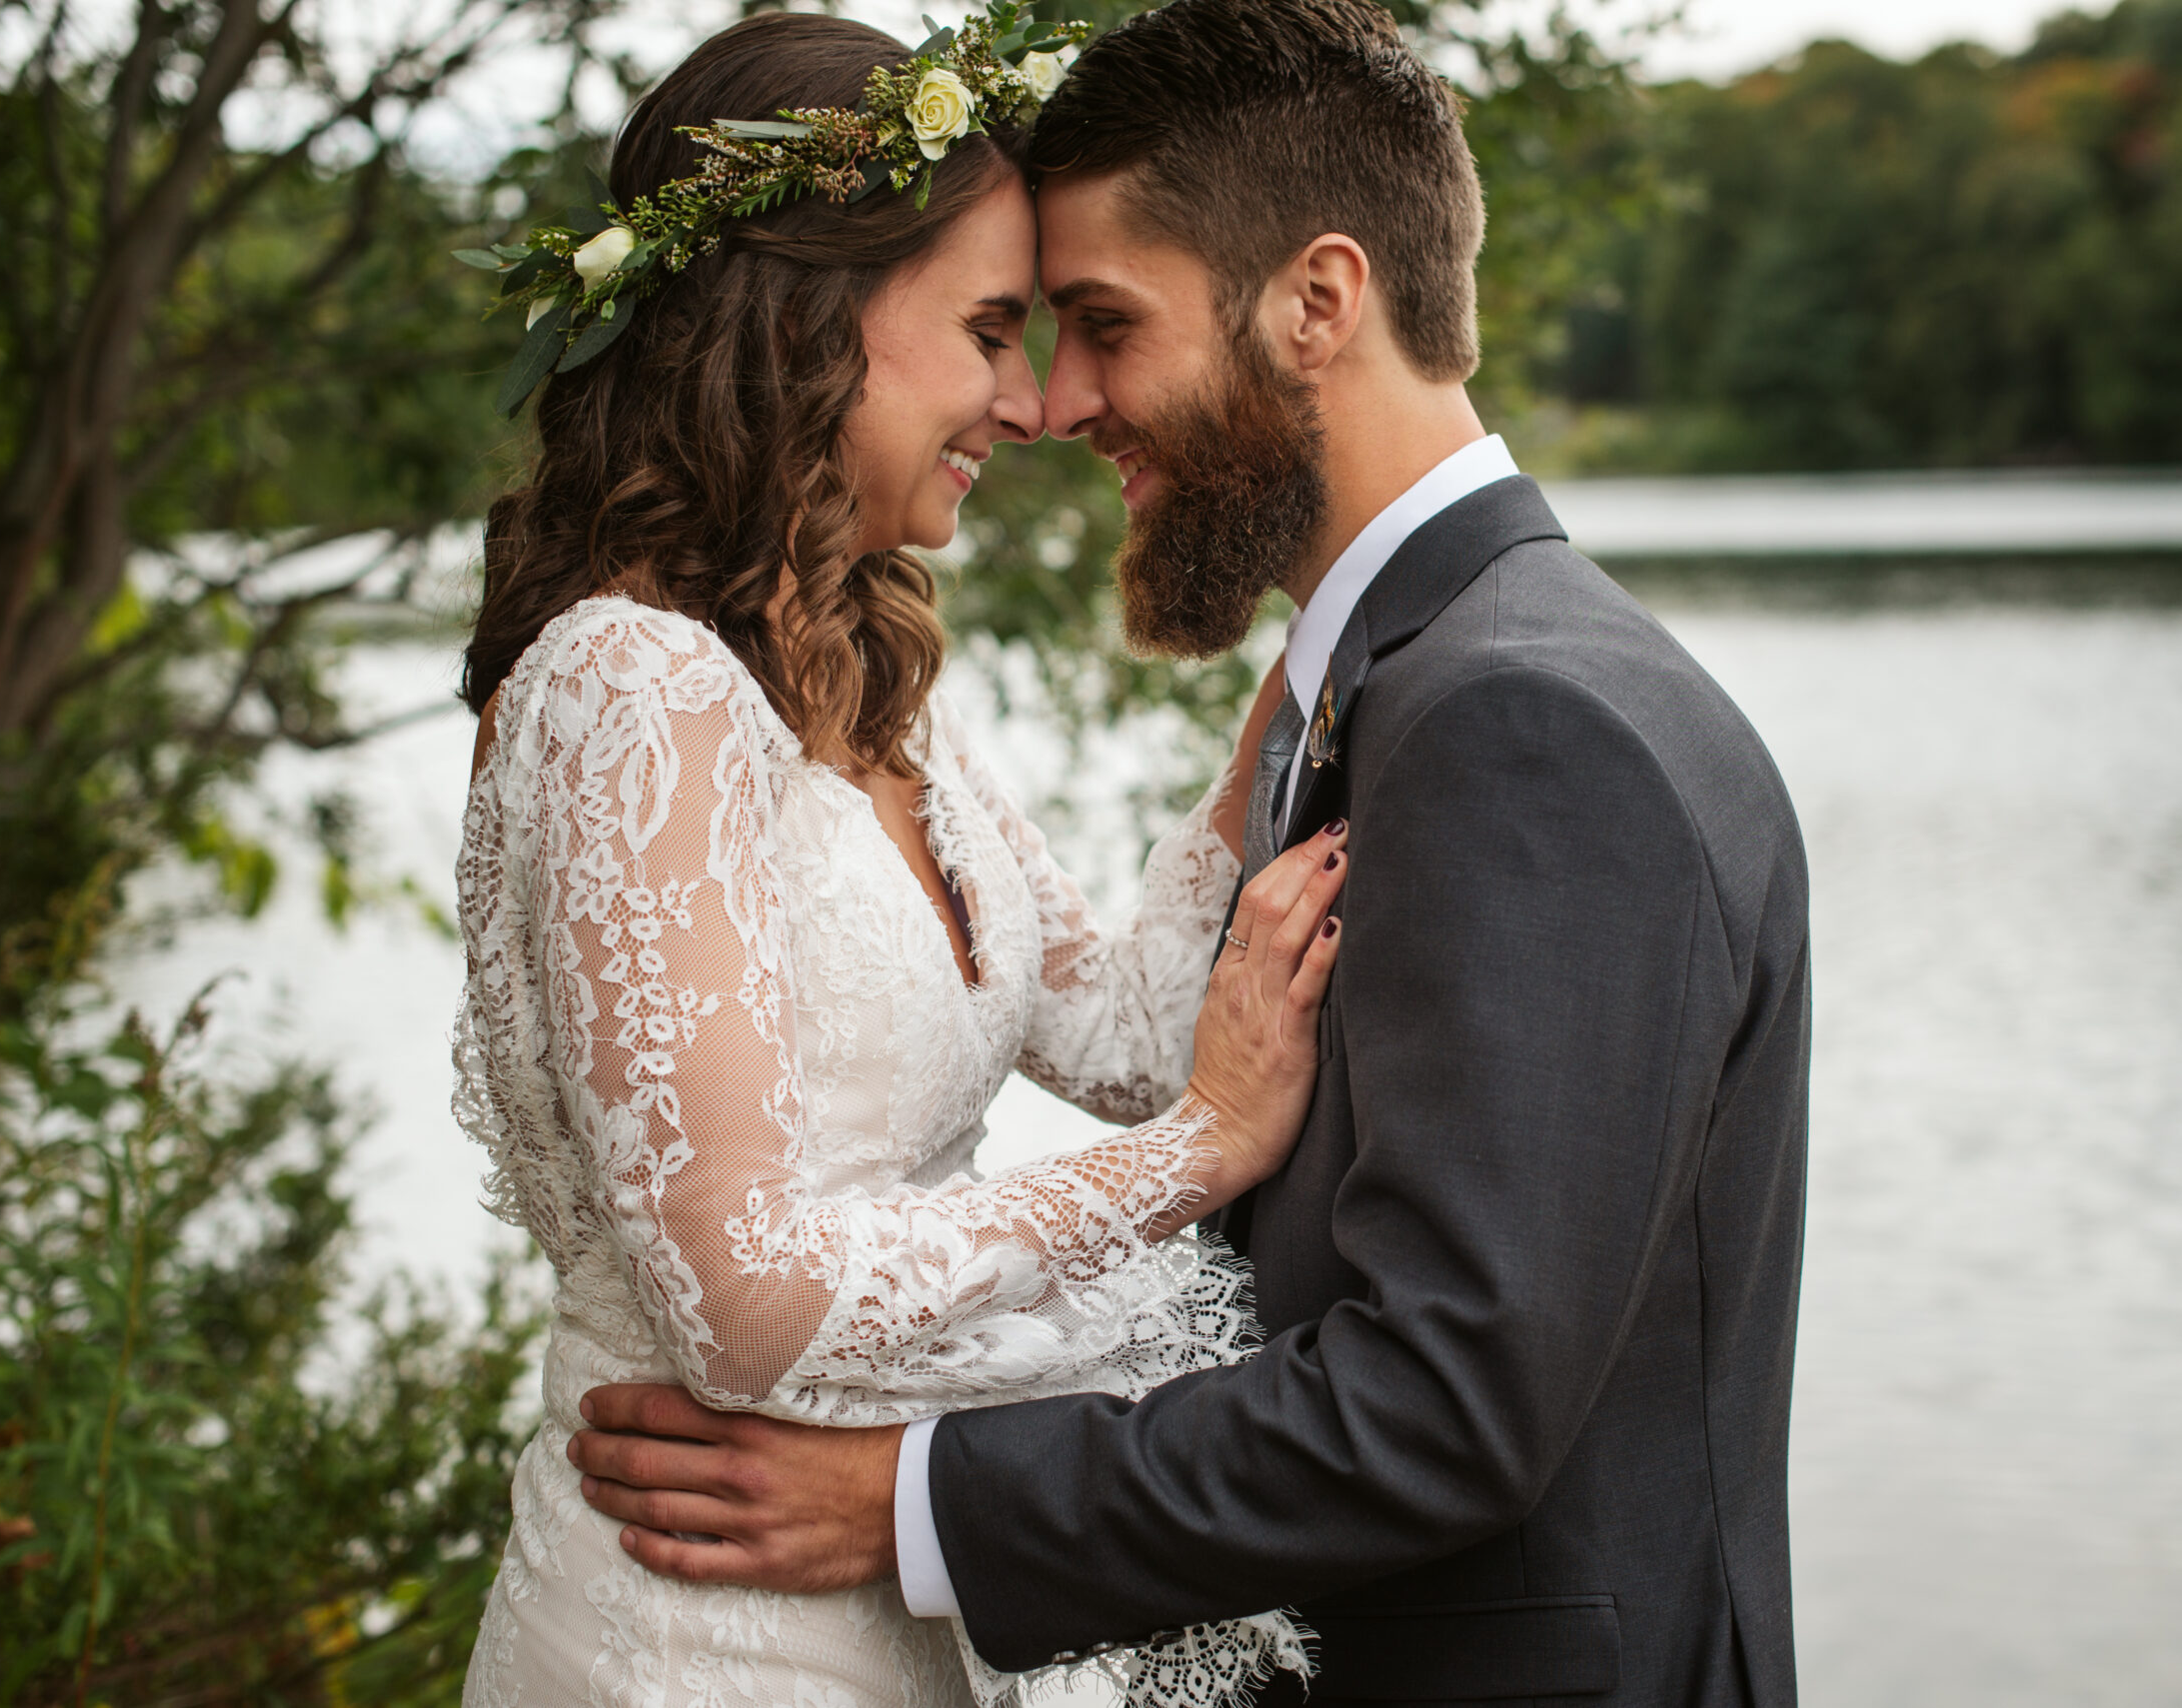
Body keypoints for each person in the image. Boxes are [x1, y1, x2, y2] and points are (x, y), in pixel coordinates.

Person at [570, 4, 1814, 1706]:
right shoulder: (1398, 680)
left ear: (1317, 302)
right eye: (1017, 330)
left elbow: (1447, 1401)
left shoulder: (1526, 726)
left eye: (1097, 325)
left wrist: (916, 1498)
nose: (1058, 402)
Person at [449, 10, 1351, 1706]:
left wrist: (1322, 656)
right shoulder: (626, 686)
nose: (1027, 402)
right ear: (806, 323)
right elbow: (747, 1301)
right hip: (689, 1632)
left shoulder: (877, 684)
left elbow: (1136, 1039)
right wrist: (1210, 1153)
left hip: (886, 1613)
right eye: (991, 331)